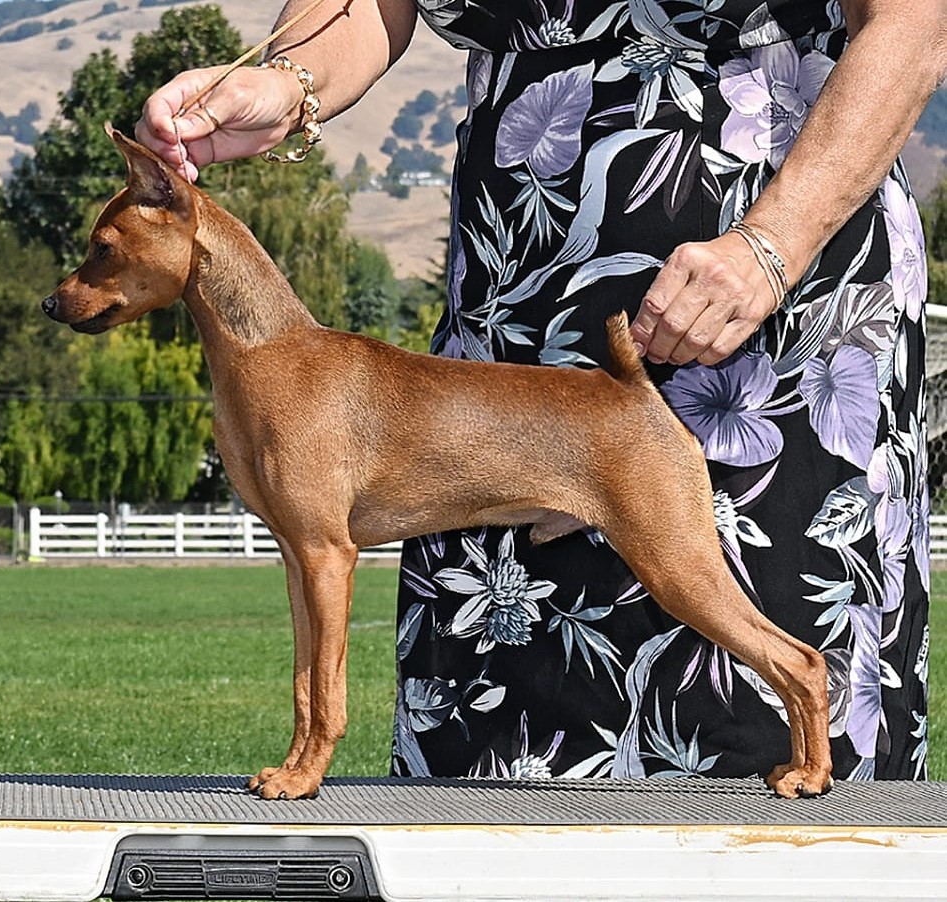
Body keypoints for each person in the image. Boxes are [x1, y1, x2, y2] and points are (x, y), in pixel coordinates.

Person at [138, 0, 944, 782]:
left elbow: (914, 21)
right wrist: (290, 80)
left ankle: (808, 733)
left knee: (725, 665)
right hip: (511, 305)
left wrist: (772, 244)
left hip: (778, 300)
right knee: (495, 763)